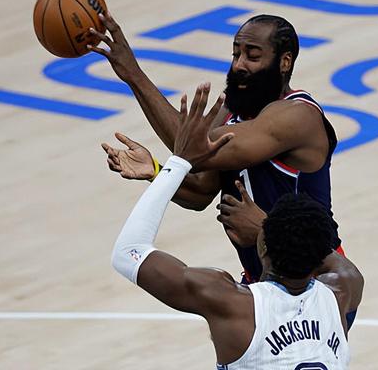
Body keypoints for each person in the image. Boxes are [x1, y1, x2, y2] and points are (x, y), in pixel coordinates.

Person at [111, 88, 363, 369]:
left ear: (262, 247)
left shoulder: (233, 304)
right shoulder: (345, 287)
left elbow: (128, 253)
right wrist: (265, 227)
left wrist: (176, 164)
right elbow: (324, 249)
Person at [90, 13, 342, 284]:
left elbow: (198, 149)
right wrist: (156, 170)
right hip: (263, 280)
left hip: (315, 280)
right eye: (236, 54)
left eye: (252, 56)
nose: (239, 64)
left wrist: (134, 75)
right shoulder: (234, 108)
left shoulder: (298, 116)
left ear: (285, 62)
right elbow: (200, 191)